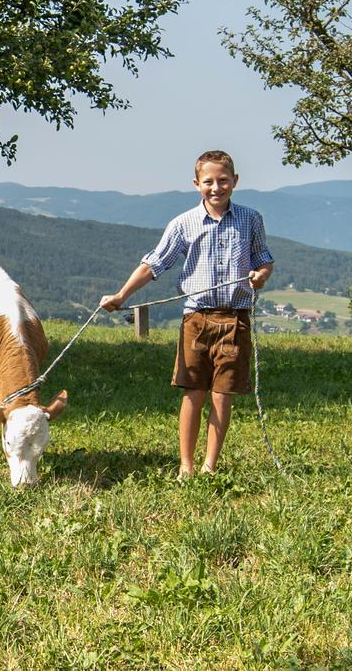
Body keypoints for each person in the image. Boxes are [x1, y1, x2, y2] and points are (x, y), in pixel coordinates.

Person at [100, 150, 274, 479]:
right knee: (193, 392)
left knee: (223, 396)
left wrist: (261, 275)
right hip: (196, 320)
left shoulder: (251, 219)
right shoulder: (183, 223)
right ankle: (186, 466)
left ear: (235, 181)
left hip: (235, 320)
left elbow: (263, 259)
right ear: (196, 184)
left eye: (223, 180)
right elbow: (155, 264)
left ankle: (209, 466)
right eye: (208, 181)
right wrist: (122, 295)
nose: (216, 187)